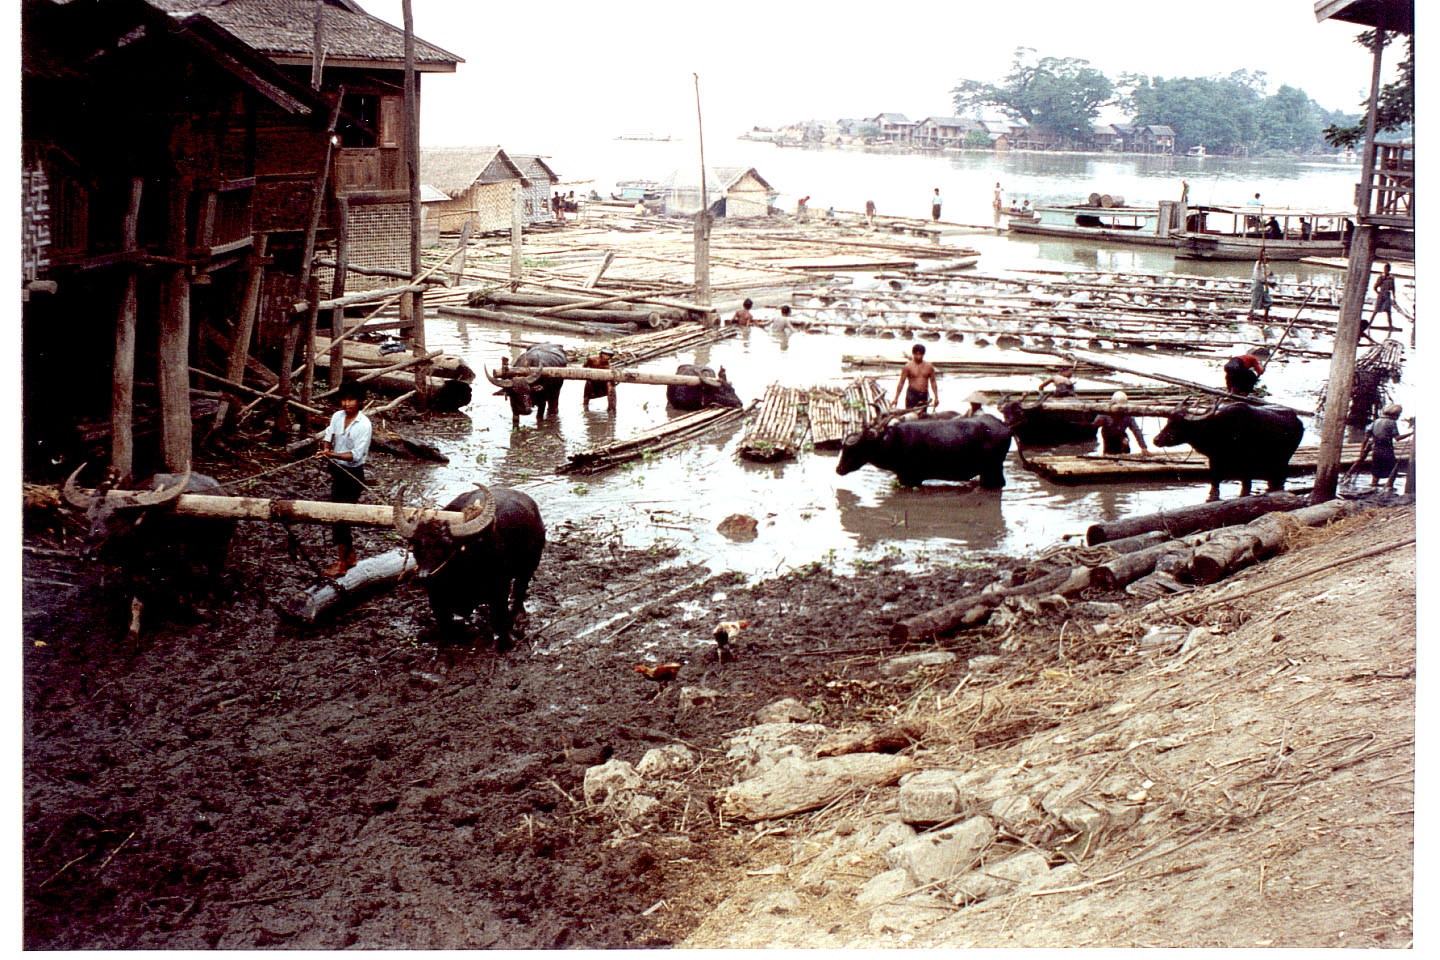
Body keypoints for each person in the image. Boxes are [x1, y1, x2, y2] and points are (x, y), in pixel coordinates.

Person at [319, 381, 372, 577]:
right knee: (338, 515)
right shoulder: (337, 416)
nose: (347, 403)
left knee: (341, 517)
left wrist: (332, 455)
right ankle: (350, 557)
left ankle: (342, 563)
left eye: (352, 399)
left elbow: (356, 455)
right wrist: (326, 448)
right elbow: (328, 435)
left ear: (360, 401)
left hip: (353, 475)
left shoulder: (364, 424)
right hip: (337, 471)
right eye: (344, 399)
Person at [1355, 403, 1410, 489]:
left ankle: (1373, 487)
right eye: (1398, 415)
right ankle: (1389, 487)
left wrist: (1362, 451)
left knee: (1376, 469)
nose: (1399, 417)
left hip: (1376, 449)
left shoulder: (1376, 421)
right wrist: (1411, 433)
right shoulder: (1391, 422)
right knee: (1393, 470)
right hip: (1386, 449)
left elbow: (1366, 437)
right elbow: (1397, 438)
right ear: (1394, 415)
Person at [1091, 391, 1149, 456]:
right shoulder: (1105, 413)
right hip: (1108, 436)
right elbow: (1094, 427)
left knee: (1125, 446)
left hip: (1121, 435)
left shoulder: (1128, 415)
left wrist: (1143, 447)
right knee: (1109, 452)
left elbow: (1136, 430)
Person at [894, 343, 938, 410]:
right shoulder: (908, 366)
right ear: (913, 354)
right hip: (912, 394)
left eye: (920, 354)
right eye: (916, 354)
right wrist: (896, 398)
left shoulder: (929, 367)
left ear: (923, 355)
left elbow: (933, 382)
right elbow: (901, 383)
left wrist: (936, 397)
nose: (918, 356)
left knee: (923, 415)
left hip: (924, 394)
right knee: (910, 414)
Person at [1367, 262, 1395, 334]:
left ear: (1389, 270)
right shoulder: (1381, 278)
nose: (1386, 270)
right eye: (1385, 269)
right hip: (1381, 294)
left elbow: (1393, 288)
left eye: (1387, 269)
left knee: (1388, 311)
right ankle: (1369, 324)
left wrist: (1394, 297)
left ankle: (1390, 326)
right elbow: (1375, 287)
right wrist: (1379, 293)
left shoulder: (1391, 278)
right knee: (1376, 310)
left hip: (1387, 295)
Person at [1248, 255, 1273, 320]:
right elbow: (1259, 261)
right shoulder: (1258, 264)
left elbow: (1270, 274)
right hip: (1257, 285)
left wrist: (1270, 281)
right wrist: (1261, 253)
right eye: (1266, 259)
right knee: (1255, 301)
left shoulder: (1266, 266)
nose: (1268, 261)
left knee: (1268, 301)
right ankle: (1251, 315)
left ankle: (1265, 316)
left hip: (1263, 285)